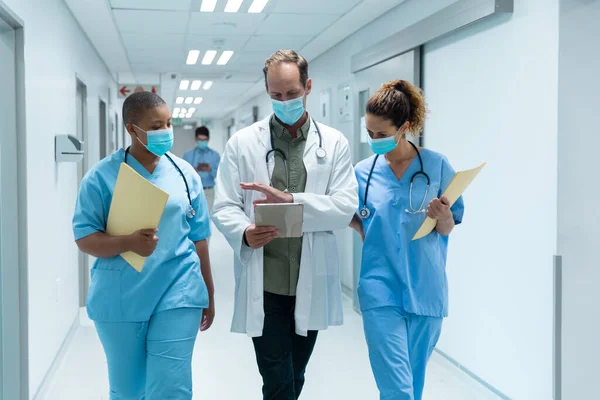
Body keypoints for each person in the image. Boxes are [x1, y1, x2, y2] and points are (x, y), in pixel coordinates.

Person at [211, 50, 358, 400]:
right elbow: (224, 205)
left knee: (296, 373)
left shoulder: (334, 143)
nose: (284, 101)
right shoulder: (243, 143)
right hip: (267, 282)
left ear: (308, 87)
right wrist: (244, 232)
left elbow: (344, 207)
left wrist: (292, 201)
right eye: (276, 95)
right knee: (277, 378)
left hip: (312, 275)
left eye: (292, 93)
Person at [72, 91, 215, 400]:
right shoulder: (101, 178)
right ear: (132, 129)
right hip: (122, 296)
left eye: (168, 123)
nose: (165, 131)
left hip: (180, 290)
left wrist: (208, 293)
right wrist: (129, 243)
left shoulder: (184, 173)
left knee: (171, 389)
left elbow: (200, 238)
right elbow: (85, 238)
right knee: (128, 390)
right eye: (156, 125)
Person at [349, 80, 465, 400]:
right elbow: (348, 213)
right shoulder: (362, 173)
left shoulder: (437, 166)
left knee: (412, 386)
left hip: (426, 291)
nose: (373, 140)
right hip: (379, 291)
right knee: (397, 390)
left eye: (381, 134)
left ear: (404, 128)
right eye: (369, 132)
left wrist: (442, 216)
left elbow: (448, 226)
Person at [183, 126, 221, 213]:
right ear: (196, 139)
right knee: (193, 216)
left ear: (208, 139)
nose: (202, 142)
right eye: (200, 140)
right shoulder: (187, 155)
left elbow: (219, 175)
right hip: (193, 190)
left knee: (207, 215)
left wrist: (210, 170)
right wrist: (191, 171)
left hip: (209, 191)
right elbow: (183, 174)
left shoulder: (215, 155)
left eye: (204, 140)